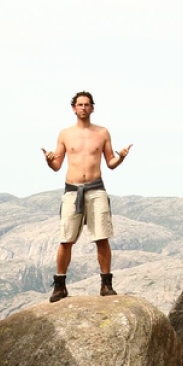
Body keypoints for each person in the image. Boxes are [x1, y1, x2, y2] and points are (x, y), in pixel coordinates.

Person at [41, 91, 132, 302]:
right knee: (66, 239)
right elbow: (56, 165)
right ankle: (60, 285)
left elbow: (110, 162)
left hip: (96, 188)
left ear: (92, 108)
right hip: (72, 190)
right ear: (74, 108)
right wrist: (48, 160)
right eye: (79, 105)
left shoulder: (102, 133)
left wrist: (122, 158)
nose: (83, 108)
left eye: (87, 105)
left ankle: (106, 284)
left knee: (102, 237)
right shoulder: (65, 134)